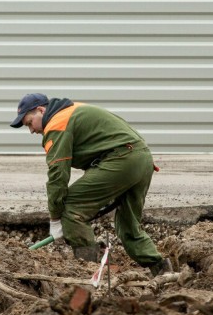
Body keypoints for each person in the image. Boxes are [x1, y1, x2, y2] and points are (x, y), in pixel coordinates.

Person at [10, 93, 172, 276]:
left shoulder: (57, 124)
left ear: (41, 110)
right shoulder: (72, 110)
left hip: (122, 160)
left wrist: (56, 218)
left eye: (29, 123)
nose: (31, 130)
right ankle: (162, 271)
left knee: (70, 209)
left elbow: (58, 175)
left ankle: (89, 274)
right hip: (141, 160)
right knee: (128, 225)